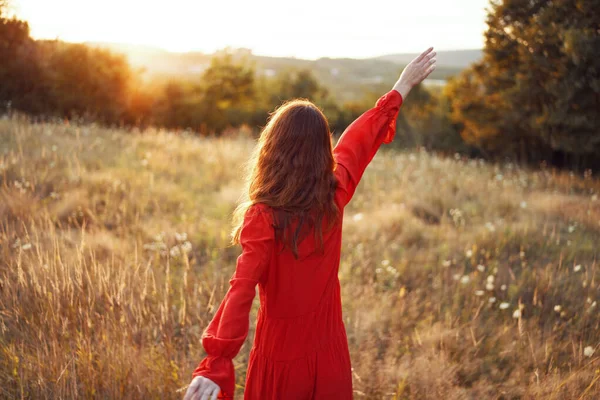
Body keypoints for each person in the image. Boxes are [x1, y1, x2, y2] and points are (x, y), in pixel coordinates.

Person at [184, 47, 437, 400]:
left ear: (271, 149)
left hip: (282, 357)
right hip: (327, 348)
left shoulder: (263, 216)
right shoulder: (333, 193)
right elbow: (356, 142)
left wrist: (217, 359)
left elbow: (241, 287)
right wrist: (401, 86)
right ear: (322, 150)